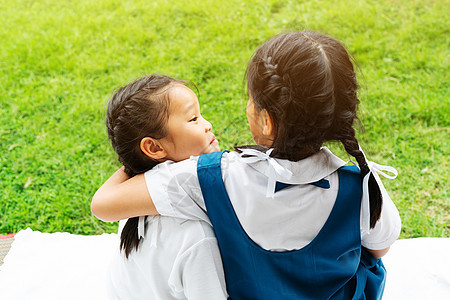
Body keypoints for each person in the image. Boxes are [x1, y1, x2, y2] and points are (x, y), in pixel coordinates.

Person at [92, 31, 401, 299]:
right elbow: (379, 250)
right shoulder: (363, 187)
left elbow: (103, 205)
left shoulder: (208, 178)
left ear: (265, 121)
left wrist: (138, 155)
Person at [95, 74, 227, 299]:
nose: (207, 125)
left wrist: (136, 160)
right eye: (193, 119)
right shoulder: (197, 237)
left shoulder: (132, 198)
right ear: (154, 148)